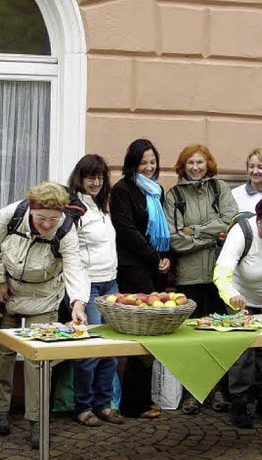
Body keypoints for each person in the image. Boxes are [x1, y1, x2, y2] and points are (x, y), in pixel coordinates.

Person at [0, 181, 89, 445]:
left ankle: (37, 421)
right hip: (7, 293)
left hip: (44, 298)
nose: (47, 224)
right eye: (41, 218)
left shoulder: (66, 229)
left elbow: (75, 266)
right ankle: (0, 410)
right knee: (2, 354)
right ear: (31, 209)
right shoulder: (11, 215)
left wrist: (78, 303)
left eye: (53, 219)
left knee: (38, 361)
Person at [164, 144, 238, 415]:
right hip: (189, 277)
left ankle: (218, 390)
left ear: (208, 163)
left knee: (218, 336)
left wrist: (193, 231)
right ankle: (192, 393)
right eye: (190, 163)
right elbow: (174, 239)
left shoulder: (220, 189)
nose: (195, 168)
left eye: (199, 162)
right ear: (183, 167)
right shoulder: (174, 196)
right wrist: (211, 235)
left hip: (219, 276)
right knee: (191, 337)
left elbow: (231, 220)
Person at [214, 194, 262, 428]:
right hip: (239, 297)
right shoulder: (243, 232)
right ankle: (239, 403)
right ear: (258, 219)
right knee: (243, 352)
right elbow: (221, 273)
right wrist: (232, 296)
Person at [110, 138, 170, 419]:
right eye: (143, 162)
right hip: (134, 266)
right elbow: (127, 231)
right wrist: (155, 257)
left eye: (152, 161)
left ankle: (143, 398)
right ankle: (134, 403)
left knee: (154, 334)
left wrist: (166, 258)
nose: (149, 167)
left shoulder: (157, 191)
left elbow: (165, 230)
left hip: (155, 266)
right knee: (143, 334)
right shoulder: (122, 190)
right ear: (132, 163)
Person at [67, 155, 123, 426]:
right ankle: (83, 407)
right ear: (80, 177)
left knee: (109, 350)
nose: (96, 181)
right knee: (89, 350)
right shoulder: (75, 210)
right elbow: (71, 254)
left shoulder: (102, 208)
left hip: (110, 284)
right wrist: (77, 295)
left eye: (100, 177)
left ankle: (104, 404)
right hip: (87, 287)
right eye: (90, 176)